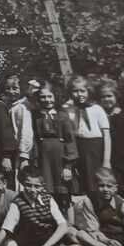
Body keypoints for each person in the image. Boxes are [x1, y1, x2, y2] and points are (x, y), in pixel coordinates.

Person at [0, 166, 70, 246]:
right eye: (28, 185)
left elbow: (62, 225)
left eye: (36, 186)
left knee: (73, 235)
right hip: (32, 241)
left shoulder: (48, 198)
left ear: (42, 186)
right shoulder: (18, 202)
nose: (32, 190)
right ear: (22, 184)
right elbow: (5, 229)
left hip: (52, 237)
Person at [33, 81, 78, 211]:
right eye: (43, 97)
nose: (47, 100)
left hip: (60, 158)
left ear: (55, 97)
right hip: (44, 159)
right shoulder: (36, 116)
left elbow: (70, 140)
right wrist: (35, 160)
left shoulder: (62, 116)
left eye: (50, 96)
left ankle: (66, 216)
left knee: (63, 190)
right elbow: (34, 139)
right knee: (47, 189)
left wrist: (68, 166)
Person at [65, 75, 111, 195]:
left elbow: (106, 136)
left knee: (97, 181)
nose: (79, 94)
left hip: (95, 148)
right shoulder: (68, 110)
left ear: (88, 91)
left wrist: (106, 160)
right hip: (78, 147)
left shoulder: (97, 109)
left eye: (82, 91)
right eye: (75, 91)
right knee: (81, 181)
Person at [3, 75, 34, 187]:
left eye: (15, 88)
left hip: (22, 151)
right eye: (8, 88)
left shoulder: (22, 107)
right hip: (14, 149)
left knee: (21, 179)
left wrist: (24, 155)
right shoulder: (11, 105)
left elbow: (25, 131)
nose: (11, 92)